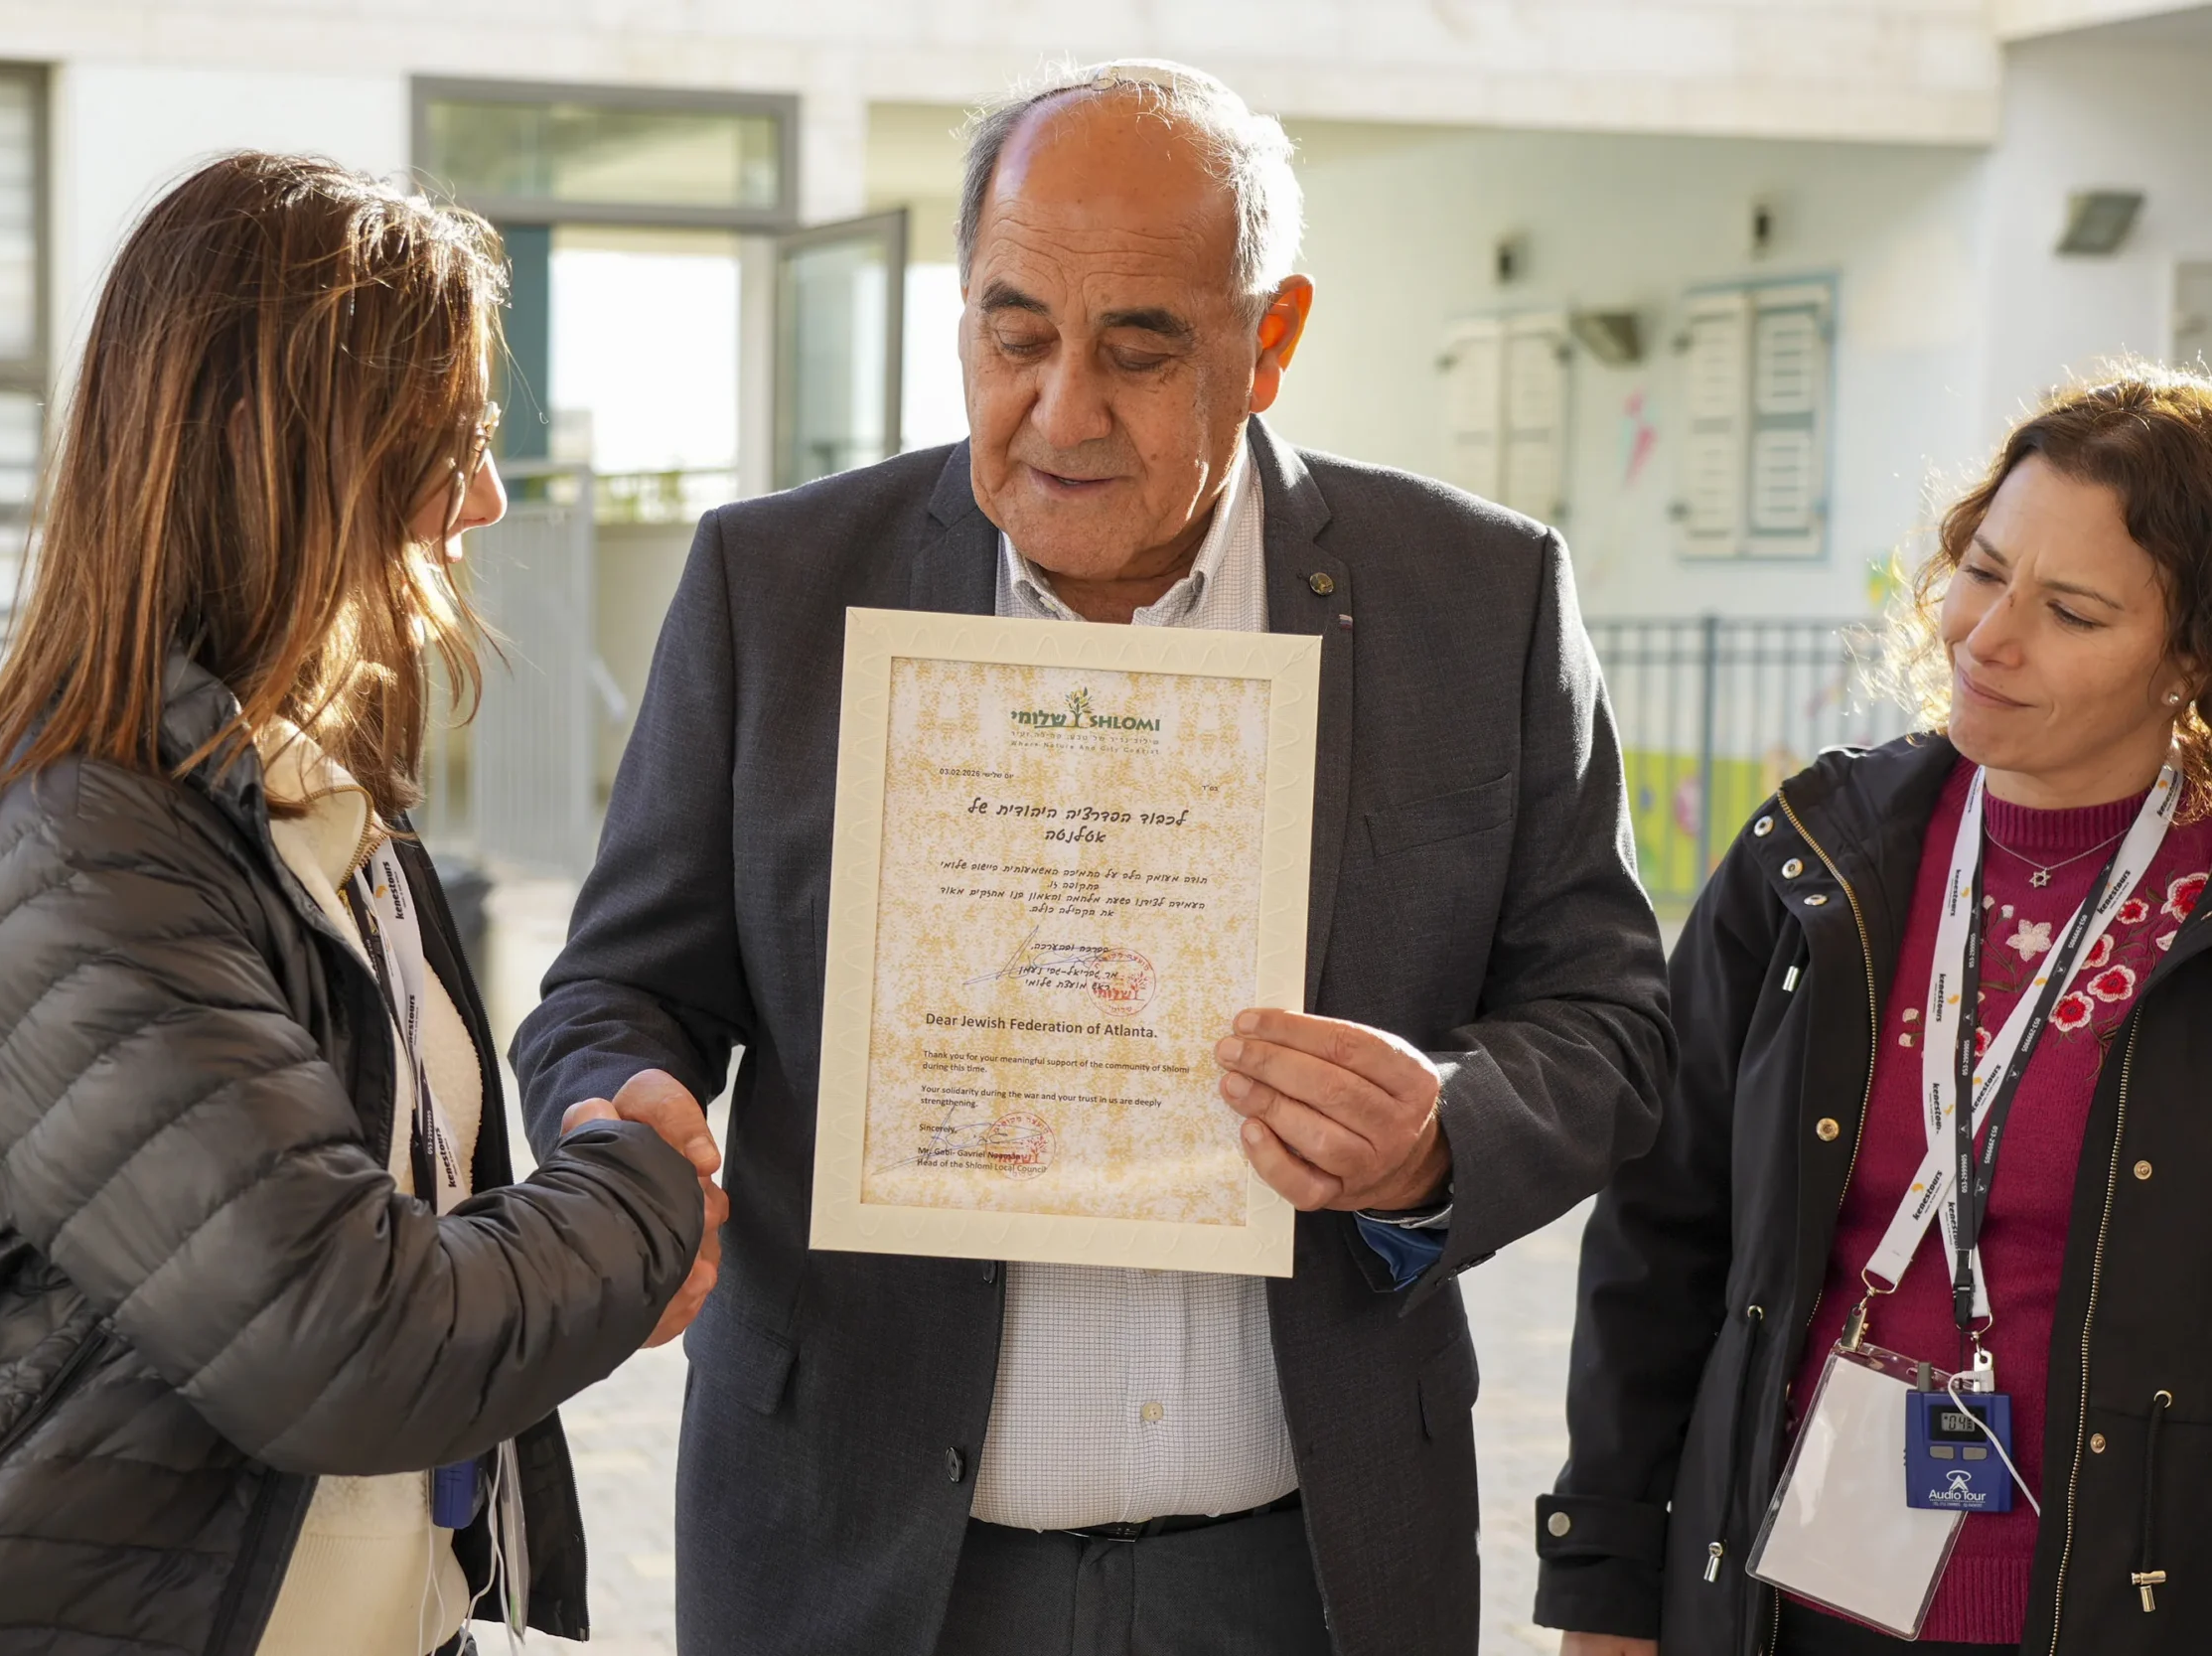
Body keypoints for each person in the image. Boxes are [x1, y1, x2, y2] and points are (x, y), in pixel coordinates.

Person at [515, 61, 1671, 1656]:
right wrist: (613, 1108)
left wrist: (1443, 1135)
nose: (1064, 410)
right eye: (1017, 334)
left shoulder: (1478, 600)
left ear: (1270, 340)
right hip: (860, 1561)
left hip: (1301, 1568)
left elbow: (1610, 1018)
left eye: (1141, 348)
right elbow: (619, 986)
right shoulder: (774, 587)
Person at [0, 153, 721, 1656]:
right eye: (444, 444)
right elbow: (347, 1337)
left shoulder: (313, 801)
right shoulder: (72, 847)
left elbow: (427, 1238)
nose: (488, 500)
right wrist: (646, 1198)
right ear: (280, 453)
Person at [1537, 367, 2212, 1656]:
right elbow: (1658, 1238)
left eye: (2069, 610)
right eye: (1984, 567)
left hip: (2111, 1606)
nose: (1987, 634)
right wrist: (1605, 1587)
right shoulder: (1818, 857)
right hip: (1784, 1599)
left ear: (2190, 653)